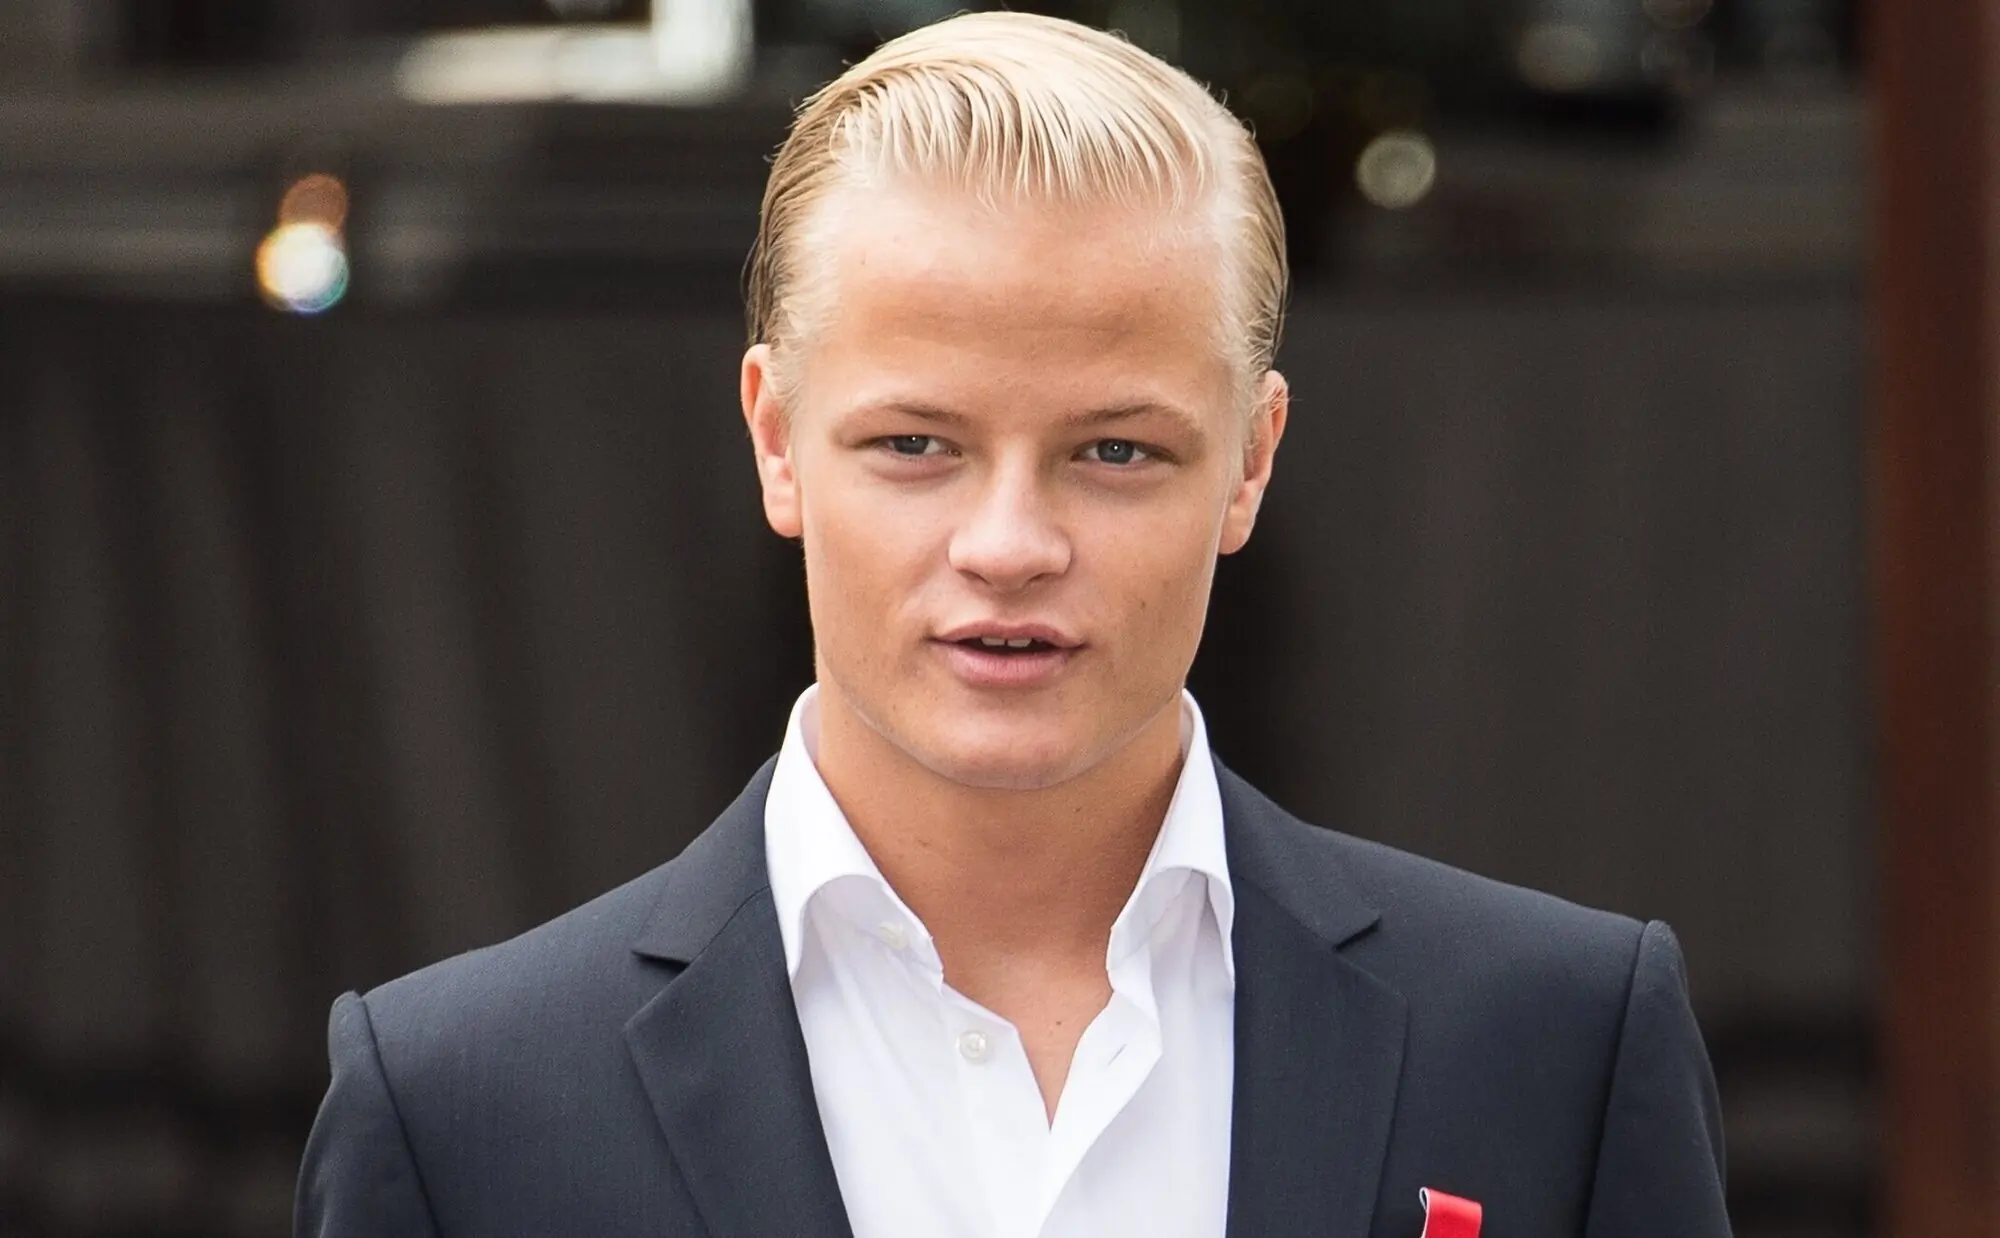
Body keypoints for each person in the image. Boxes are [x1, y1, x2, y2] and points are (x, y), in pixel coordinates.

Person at [295, 12, 1730, 1238]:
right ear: (776, 439)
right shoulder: (460, 1112)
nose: (1010, 546)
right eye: (916, 445)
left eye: (1115, 451)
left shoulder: (1557, 1044)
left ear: (1252, 461)